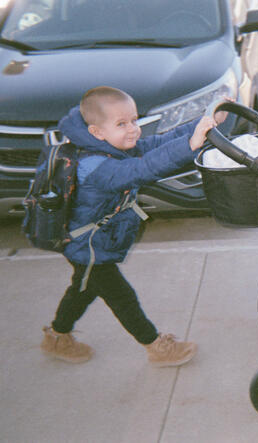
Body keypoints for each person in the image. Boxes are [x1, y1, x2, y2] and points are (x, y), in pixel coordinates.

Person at [40, 86, 226, 367]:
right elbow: (142, 169)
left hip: (93, 242)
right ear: (97, 132)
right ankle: (155, 345)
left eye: (134, 120)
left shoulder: (112, 146)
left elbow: (158, 144)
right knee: (122, 297)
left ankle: (57, 336)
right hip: (87, 246)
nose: (133, 130)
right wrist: (191, 144)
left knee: (82, 288)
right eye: (122, 124)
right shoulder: (93, 165)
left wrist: (204, 124)